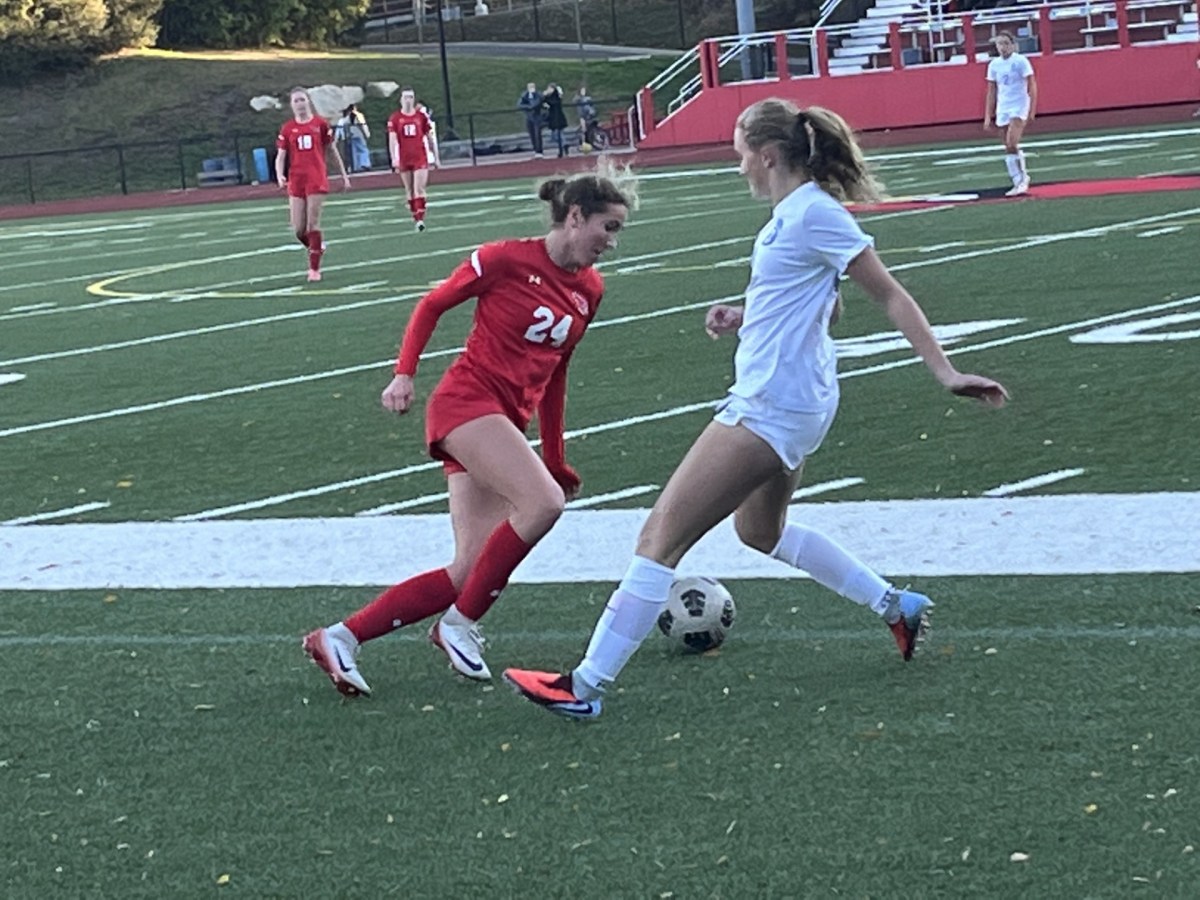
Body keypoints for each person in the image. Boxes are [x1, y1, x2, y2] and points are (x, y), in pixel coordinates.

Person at [503, 98, 1010, 720]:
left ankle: (584, 688)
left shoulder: (812, 215)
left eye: (741, 150)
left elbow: (889, 294)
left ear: (768, 155)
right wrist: (746, 315)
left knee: (659, 537)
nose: (736, 161)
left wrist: (945, 371)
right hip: (799, 401)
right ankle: (895, 606)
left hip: (772, 405)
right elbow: (824, 304)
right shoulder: (791, 216)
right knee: (758, 531)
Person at [302, 166, 637, 698]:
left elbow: (556, 375)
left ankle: (341, 637)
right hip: (466, 405)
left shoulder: (589, 291)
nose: (612, 243)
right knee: (544, 505)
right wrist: (404, 373)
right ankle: (457, 626)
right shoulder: (505, 259)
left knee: (469, 569)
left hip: (502, 423)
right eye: (608, 227)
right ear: (575, 217)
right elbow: (432, 304)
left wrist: (554, 454)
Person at [275, 87, 351, 282]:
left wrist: (344, 176)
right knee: (299, 229)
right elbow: (281, 156)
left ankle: (314, 269)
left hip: (316, 178)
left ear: (308, 101)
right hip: (296, 179)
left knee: (312, 224)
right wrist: (279, 175)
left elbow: (332, 151)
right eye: (296, 101)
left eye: (302, 100)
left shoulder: (320, 124)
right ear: (292, 105)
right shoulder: (288, 128)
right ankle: (317, 247)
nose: (300, 104)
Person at [984, 31, 1037, 197]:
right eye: (999, 44)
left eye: (1006, 43)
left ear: (1013, 45)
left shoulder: (1021, 61)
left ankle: (1022, 179)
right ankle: (1017, 179)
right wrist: (988, 116)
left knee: (1012, 141)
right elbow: (991, 91)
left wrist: (1032, 109)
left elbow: (1032, 84)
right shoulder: (994, 65)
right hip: (1003, 106)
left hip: (1019, 104)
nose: (1003, 47)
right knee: (1008, 146)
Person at [388, 88, 437, 231]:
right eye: (405, 97)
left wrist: (435, 156)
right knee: (409, 190)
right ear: (401, 99)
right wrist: (393, 158)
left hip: (419, 157)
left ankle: (421, 219)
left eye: (411, 97)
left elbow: (429, 137)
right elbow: (392, 139)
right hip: (404, 157)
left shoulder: (421, 117)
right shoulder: (395, 118)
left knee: (419, 188)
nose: (408, 100)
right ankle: (415, 217)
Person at [336, 103, 372, 172]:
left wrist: (337, 139)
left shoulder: (342, 120)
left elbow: (339, 130)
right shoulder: (358, 115)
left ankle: (355, 166)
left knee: (353, 151)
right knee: (362, 149)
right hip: (357, 134)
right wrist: (367, 134)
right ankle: (364, 164)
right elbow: (363, 125)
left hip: (349, 136)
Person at [543, 83, 569, 158]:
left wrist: (546, 98)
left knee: (558, 133)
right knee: (555, 135)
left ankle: (563, 146)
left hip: (557, 118)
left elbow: (553, 103)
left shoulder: (556, 96)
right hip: (553, 118)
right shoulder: (551, 97)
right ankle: (564, 145)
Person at [519, 82, 545, 157]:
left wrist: (531, 106)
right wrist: (528, 107)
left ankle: (539, 151)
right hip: (529, 117)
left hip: (537, 117)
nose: (531, 88)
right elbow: (520, 104)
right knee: (532, 134)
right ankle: (535, 150)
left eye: (533, 87)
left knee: (537, 134)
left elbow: (536, 103)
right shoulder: (524, 95)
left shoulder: (538, 94)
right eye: (530, 87)